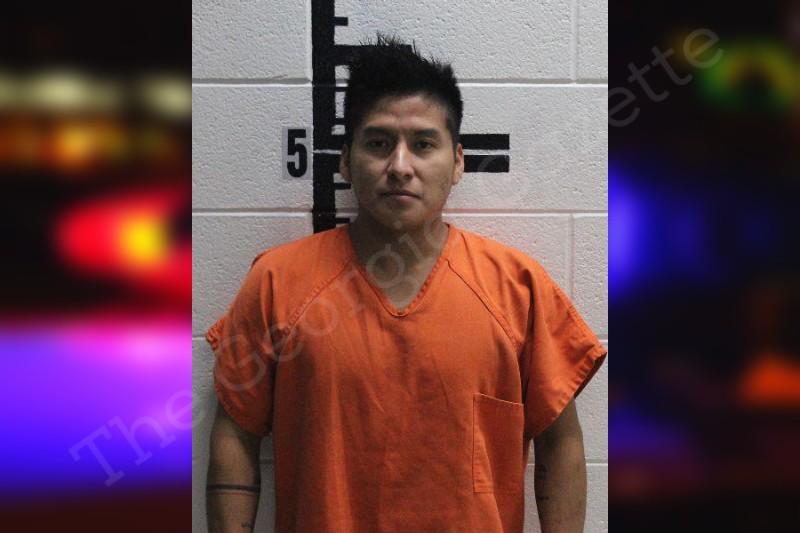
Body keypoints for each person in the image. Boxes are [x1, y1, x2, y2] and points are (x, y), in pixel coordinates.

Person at [205, 35, 606, 533]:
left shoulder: (518, 287)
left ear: (457, 162)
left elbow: (561, 443)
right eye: (378, 143)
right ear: (345, 160)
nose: (400, 167)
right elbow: (236, 434)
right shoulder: (277, 281)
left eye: (423, 144)